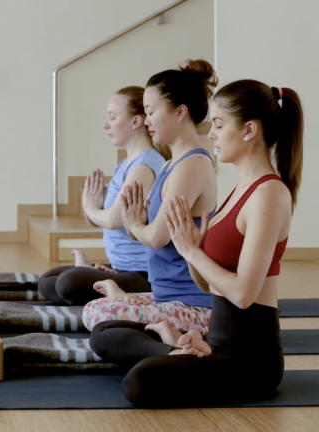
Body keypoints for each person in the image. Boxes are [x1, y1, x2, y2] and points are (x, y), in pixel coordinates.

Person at [91, 80, 301, 407]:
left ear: (249, 130)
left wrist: (190, 250)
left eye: (218, 124)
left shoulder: (269, 194)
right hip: (217, 343)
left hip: (250, 362)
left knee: (139, 382)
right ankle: (180, 346)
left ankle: (175, 348)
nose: (212, 133)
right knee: (107, 333)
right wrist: (192, 250)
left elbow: (244, 294)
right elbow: (206, 285)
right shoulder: (239, 191)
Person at [82, 59, 218, 334]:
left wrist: (135, 224)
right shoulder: (171, 164)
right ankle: (160, 333)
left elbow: (156, 237)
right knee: (96, 311)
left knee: (104, 325)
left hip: (192, 304)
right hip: (165, 296)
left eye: (151, 112)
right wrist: (136, 223)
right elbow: (148, 232)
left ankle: (176, 345)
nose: (147, 121)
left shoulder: (191, 166)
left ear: (180, 112)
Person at [39, 87, 166, 306]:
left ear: (136, 122)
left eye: (112, 116)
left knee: (68, 283)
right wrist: (92, 208)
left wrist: (91, 209)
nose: (105, 124)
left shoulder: (145, 167)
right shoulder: (125, 165)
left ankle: (106, 287)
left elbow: (111, 219)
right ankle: (105, 283)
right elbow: (100, 217)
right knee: (47, 282)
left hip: (143, 275)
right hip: (120, 267)